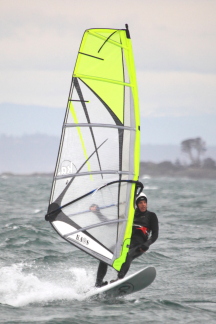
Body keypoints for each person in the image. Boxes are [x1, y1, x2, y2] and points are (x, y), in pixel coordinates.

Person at [93, 192, 159, 287]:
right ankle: (98, 283)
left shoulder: (151, 216)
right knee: (105, 255)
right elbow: (110, 223)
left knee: (129, 255)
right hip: (125, 243)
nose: (143, 204)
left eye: (145, 202)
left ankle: (119, 279)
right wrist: (97, 212)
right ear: (136, 204)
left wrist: (147, 244)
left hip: (139, 245)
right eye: (140, 203)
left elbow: (155, 235)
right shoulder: (130, 215)